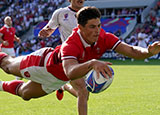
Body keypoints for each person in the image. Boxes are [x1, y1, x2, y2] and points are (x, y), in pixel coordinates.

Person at [0, 6, 160, 115]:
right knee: (7, 65)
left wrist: (147, 52)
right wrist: (91, 63)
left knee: (25, 94)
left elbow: (131, 50)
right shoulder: (71, 43)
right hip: (42, 64)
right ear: (80, 27)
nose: (97, 30)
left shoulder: (104, 37)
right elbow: (71, 71)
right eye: (92, 27)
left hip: (58, 79)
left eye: (98, 25)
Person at [38, 0, 88, 115]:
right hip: (69, 57)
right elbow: (49, 29)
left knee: (83, 94)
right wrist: (45, 32)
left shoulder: (89, 13)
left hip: (85, 57)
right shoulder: (60, 13)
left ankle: (64, 86)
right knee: (82, 92)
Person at [0, 16, 21, 80]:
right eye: (8, 20)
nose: (10, 21)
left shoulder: (12, 29)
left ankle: (17, 77)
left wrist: (16, 39)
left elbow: (13, 35)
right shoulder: (3, 29)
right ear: (5, 22)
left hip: (11, 48)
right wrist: (3, 42)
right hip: (4, 48)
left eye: (10, 20)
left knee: (14, 61)